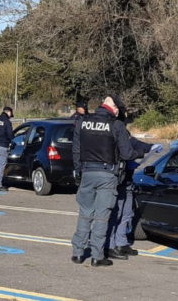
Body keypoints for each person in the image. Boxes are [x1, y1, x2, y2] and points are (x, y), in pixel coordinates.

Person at [71, 95, 146, 267]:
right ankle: (97, 256)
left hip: (87, 173)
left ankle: (77, 252)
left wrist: (78, 172)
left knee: (85, 213)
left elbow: (76, 150)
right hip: (107, 175)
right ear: (116, 109)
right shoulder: (116, 125)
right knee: (102, 217)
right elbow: (127, 154)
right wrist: (140, 152)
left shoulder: (82, 122)